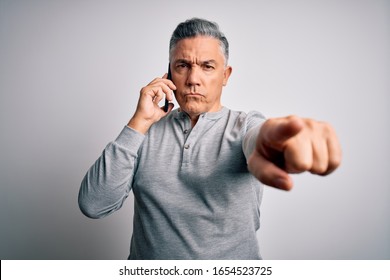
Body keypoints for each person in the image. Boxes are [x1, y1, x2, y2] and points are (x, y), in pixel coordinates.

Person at [78, 18, 342, 259]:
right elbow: (94, 204)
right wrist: (139, 122)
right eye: (182, 66)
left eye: (207, 67)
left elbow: (257, 138)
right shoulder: (144, 133)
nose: (193, 80)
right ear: (169, 74)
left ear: (225, 75)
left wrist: (272, 144)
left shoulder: (244, 125)